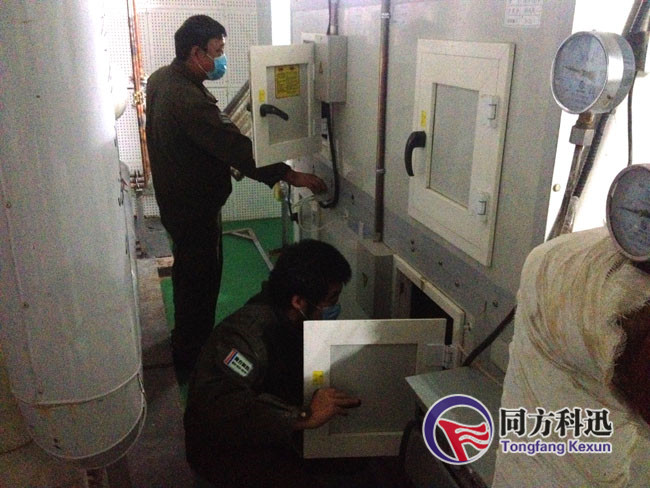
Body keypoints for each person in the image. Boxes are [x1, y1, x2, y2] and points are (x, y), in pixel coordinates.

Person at [145, 15, 327, 371]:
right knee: (200, 282)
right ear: (195, 53)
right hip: (195, 209)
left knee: (188, 276)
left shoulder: (160, 79)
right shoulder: (188, 99)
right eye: (217, 52)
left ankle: (184, 340)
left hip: (176, 201)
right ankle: (192, 355)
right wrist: (289, 174)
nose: (221, 59)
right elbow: (234, 148)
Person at [184, 239, 361, 487]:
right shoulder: (245, 335)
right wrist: (304, 415)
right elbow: (220, 409)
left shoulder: (293, 321)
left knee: (353, 464)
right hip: (227, 455)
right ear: (298, 301)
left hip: (268, 433)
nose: (334, 308)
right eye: (331, 300)